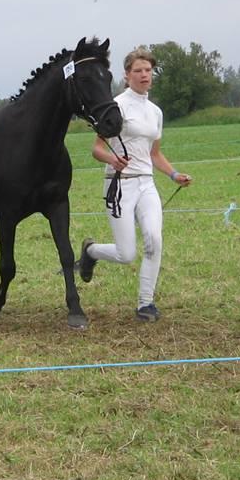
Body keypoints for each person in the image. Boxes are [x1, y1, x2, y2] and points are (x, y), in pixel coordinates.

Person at [76, 47, 192, 321]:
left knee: (154, 240)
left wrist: (174, 175)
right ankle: (91, 252)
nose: (144, 75)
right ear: (127, 75)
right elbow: (96, 150)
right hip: (119, 185)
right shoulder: (116, 106)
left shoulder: (155, 112)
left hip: (146, 184)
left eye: (148, 71)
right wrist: (113, 160)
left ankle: (145, 304)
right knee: (126, 253)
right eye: (138, 71)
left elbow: (155, 154)